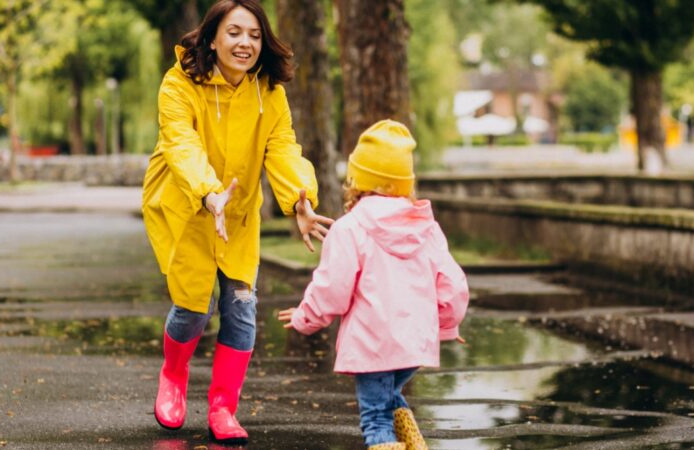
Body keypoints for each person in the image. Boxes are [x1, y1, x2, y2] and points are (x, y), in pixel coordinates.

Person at [141, 0, 333, 445]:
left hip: (239, 211)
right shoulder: (179, 84)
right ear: (212, 38)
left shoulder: (269, 93)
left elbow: (283, 148)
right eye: (234, 32)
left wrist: (300, 198)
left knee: (241, 310)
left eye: (254, 35)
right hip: (187, 203)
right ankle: (173, 374)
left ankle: (223, 407)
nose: (245, 43)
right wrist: (208, 192)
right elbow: (180, 143)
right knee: (192, 309)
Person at [278, 120, 469, 450]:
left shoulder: (350, 228)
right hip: (413, 348)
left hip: (373, 345)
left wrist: (303, 318)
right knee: (390, 399)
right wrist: (447, 325)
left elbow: (331, 290)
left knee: (376, 418)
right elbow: (452, 284)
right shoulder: (427, 227)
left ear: (356, 181)